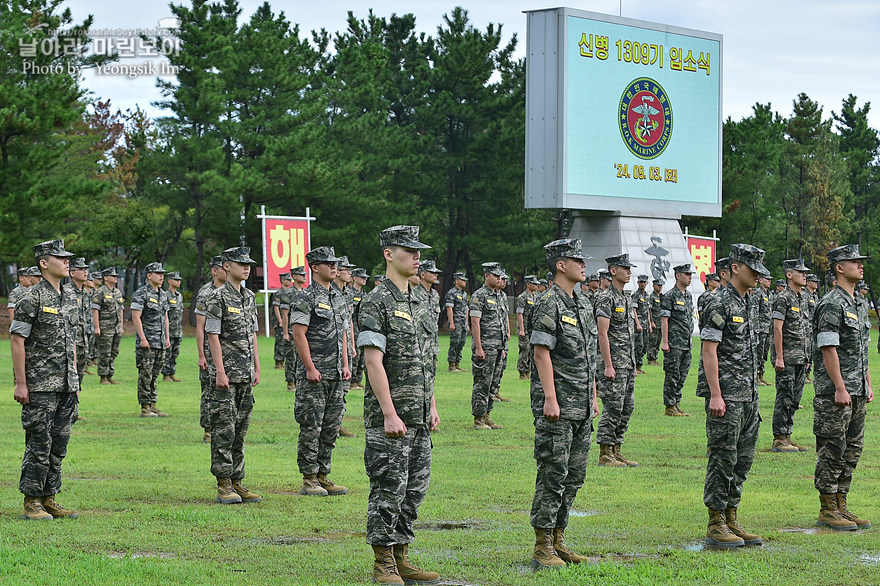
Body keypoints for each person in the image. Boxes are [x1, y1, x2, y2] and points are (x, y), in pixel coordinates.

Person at [357, 225, 440, 585]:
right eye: (409, 250)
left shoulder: (422, 299)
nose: (417, 256)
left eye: (419, 250)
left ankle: (402, 555)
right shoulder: (376, 301)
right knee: (388, 488)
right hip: (391, 418)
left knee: (414, 489)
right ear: (389, 254)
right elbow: (373, 361)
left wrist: (432, 404)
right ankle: (383, 563)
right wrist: (389, 412)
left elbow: (426, 360)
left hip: (420, 414)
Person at [528, 239, 598, 569]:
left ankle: (559, 539)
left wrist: (593, 396)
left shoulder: (581, 304)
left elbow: (588, 355)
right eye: (577, 259)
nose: (583, 264)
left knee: (574, 476)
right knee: (553, 474)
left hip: (582, 405)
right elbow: (541, 353)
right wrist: (551, 399)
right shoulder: (547, 303)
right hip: (557, 407)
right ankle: (543, 544)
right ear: (560, 264)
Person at [698, 244, 767, 548]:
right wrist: (715, 394)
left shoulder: (749, 302)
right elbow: (709, 350)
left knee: (742, 459)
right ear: (736, 268)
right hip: (726, 395)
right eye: (753, 270)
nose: (757, 276)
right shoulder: (717, 303)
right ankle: (716, 521)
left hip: (748, 394)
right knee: (723, 457)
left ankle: (731, 516)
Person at [11, 239, 79, 520]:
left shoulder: (71, 296)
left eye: (67, 258)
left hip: (66, 384)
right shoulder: (31, 298)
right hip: (40, 385)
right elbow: (17, 341)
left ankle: (50, 497)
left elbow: (72, 342)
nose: (67, 262)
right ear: (43, 263)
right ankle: (32, 501)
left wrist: (74, 380)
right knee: (39, 443)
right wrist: (21, 383)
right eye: (60, 258)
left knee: (59, 445)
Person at [812, 244, 873, 531]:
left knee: (852, 449)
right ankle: (827, 508)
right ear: (839, 267)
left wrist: (867, 384)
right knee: (833, 447)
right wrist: (839, 387)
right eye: (854, 262)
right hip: (836, 392)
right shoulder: (831, 303)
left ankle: (841, 503)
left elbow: (861, 350)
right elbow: (828, 347)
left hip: (857, 389)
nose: (860, 266)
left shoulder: (859, 303)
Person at [290, 246, 350, 496]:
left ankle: (324, 474)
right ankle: (309, 478)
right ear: (315, 267)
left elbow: (344, 334)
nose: (334, 267)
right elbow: (298, 333)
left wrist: (346, 365)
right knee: (311, 426)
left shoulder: (338, 297)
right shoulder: (306, 297)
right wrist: (310, 368)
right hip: (315, 375)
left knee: (331, 426)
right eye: (329, 263)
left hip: (336, 374)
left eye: (336, 263)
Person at [204, 246, 262, 505]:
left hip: (245, 374)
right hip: (226, 375)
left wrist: (257, 366)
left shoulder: (249, 297)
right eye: (241, 263)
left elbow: (253, 336)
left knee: (240, 430)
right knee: (224, 429)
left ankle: (238, 480)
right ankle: (224, 483)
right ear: (227, 267)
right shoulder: (217, 298)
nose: (246, 268)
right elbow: (212, 335)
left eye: (249, 263)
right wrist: (219, 370)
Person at [594, 253, 638, 467]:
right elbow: (603, 333)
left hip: (626, 363)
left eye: (630, 268)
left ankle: (616, 448)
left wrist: (633, 363)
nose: (629, 272)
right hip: (613, 364)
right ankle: (605, 453)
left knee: (626, 407)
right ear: (613, 271)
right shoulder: (606, 298)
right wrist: (609, 365)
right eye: (625, 268)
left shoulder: (625, 298)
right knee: (612, 406)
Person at [771, 259, 811, 453]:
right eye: (800, 272)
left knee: (795, 398)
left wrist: (807, 356)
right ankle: (778, 438)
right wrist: (779, 356)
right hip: (786, 357)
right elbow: (777, 329)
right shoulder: (783, 298)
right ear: (789, 275)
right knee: (784, 397)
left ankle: (788, 435)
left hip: (800, 357)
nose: (804, 275)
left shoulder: (803, 298)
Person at [470, 262, 508, 430]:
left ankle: (487, 416)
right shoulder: (479, 295)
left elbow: (503, 321)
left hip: (499, 346)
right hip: (485, 347)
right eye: (496, 275)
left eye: (500, 276)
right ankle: (478, 419)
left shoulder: (501, 296)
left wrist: (504, 347)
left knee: (493, 383)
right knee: (482, 383)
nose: (499, 278)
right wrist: (478, 347)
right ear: (487, 276)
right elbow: (475, 323)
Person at [130, 262, 170, 418]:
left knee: (154, 375)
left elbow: (165, 317)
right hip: (147, 342)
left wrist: (166, 337)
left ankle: (153, 405)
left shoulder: (163, 294)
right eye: (158, 273)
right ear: (149, 276)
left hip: (159, 342)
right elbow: (135, 317)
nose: (161, 276)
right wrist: (142, 338)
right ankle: (145, 407)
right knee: (145, 375)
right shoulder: (141, 294)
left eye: (162, 273)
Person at [195, 256, 227, 443]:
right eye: (224, 268)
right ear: (214, 271)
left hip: (227, 350)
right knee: (209, 390)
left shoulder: (231, 291)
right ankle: (208, 429)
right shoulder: (206, 293)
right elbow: (200, 326)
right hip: (209, 349)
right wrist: (201, 355)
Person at [661, 264, 695, 417]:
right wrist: (665, 341)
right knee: (672, 375)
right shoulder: (670, 295)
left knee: (682, 375)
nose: (689, 277)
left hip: (686, 343)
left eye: (690, 274)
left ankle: (676, 403)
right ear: (678, 276)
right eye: (686, 274)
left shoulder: (688, 296)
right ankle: (669, 406)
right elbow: (664, 319)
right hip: (674, 343)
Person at [91, 267, 125, 385]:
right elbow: (95, 310)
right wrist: (97, 327)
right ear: (106, 278)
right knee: (105, 353)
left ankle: (110, 375)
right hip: (105, 327)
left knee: (114, 352)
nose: (115, 277)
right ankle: (103, 377)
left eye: (116, 276)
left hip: (116, 328)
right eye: (113, 276)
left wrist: (121, 326)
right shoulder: (100, 291)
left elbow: (121, 309)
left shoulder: (117, 292)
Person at [63, 258, 91, 385]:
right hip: (70, 342)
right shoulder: (65, 291)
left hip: (83, 341)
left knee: (79, 378)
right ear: (72, 273)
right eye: (81, 269)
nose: (85, 272)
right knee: (68, 377)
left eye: (86, 269)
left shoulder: (85, 292)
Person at [418, 260, 442, 395]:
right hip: (420, 344)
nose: (436, 275)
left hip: (432, 343)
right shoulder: (414, 294)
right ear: (422, 274)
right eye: (432, 272)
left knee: (431, 377)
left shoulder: (434, 295)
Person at [284, 266, 308, 392]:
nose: (304, 276)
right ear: (294, 276)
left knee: (302, 356)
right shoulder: (288, 293)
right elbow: (284, 314)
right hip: (291, 329)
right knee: (291, 357)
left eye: (304, 274)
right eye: (301, 274)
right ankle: (291, 382)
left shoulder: (306, 293)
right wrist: (285, 332)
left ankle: (300, 381)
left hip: (303, 331)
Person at [162, 271, 184, 382]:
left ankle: (172, 373)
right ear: (169, 281)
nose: (178, 282)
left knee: (175, 353)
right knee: (167, 353)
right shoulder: (165, 296)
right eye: (176, 280)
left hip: (177, 330)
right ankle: (165, 375)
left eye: (179, 280)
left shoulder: (179, 296)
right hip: (168, 331)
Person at [444, 272, 470, 372]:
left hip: (463, 322)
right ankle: (451, 365)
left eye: (465, 280)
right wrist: (451, 322)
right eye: (462, 280)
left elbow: (466, 309)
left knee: (461, 342)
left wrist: (467, 323)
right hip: (456, 321)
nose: (464, 282)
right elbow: (449, 308)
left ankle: (457, 363)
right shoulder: (451, 293)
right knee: (454, 342)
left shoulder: (464, 294)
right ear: (456, 281)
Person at [516, 275, 539, 380]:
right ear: (528, 284)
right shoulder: (523, 297)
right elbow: (519, 314)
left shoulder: (536, 297)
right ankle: (522, 372)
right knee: (525, 349)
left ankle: (528, 371)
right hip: (524, 327)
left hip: (533, 328)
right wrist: (521, 329)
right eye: (534, 283)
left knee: (531, 351)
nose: (536, 285)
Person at [349, 267, 369, 389]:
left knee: (362, 355)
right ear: (355, 278)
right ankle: (352, 380)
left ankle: (358, 379)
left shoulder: (364, 294)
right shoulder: (350, 293)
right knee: (355, 354)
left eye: (365, 278)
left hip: (362, 326)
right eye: (362, 277)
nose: (364, 279)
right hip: (353, 327)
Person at [753, 275, 774, 387]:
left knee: (765, 353)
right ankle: (755, 376)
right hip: (760, 328)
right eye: (767, 279)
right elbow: (755, 311)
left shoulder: (770, 294)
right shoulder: (758, 293)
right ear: (760, 280)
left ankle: (761, 375)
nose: (769, 281)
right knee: (758, 352)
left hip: (768, 328)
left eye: (770, 280)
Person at [271, 272, 294, 370]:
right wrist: (280, 320)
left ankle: (285, 360)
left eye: (290, 280)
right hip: (280, 321)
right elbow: (276, 308)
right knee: (280, 342)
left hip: (288, 321)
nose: (289, 282)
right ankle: (278, 362)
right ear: (283, 280)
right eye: (287, 280)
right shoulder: (278, 293)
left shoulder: (289, 293)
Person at [632, 274, 651, 375]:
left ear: (647, 283)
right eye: (641, 282)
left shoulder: (647, 295)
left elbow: (647, 310)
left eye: (644, 282)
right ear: (638, 283)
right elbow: (633, 310)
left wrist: (650, 323)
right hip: (638, 325)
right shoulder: (635, 295)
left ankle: (640, 366)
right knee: (638, 346)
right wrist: (638, 324)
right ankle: (635, 366)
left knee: (645, 346)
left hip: (645, 325)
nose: (642, 284)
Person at [646, 278, 664, 365]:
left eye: (661, 285)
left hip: (661, 323)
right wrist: (651, 322)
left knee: (658, 342)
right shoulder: (651, 297)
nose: (660, 287)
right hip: (655, 323)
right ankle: (650, 359)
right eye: (658, 285)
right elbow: (649, 311)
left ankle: (655, 358)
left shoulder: (662, 297)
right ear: (653, 286)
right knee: (652, 341)